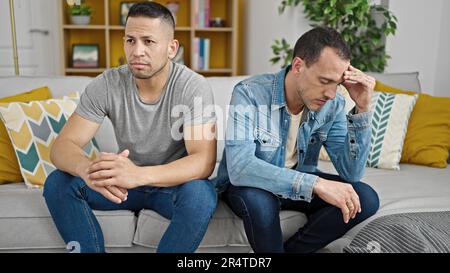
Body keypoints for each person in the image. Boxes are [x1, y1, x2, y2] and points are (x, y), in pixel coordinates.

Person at [43, 2, 217, 253]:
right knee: (59, 182)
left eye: (148, 41)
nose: (137, 51)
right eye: (130, 40)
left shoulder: (193, 87)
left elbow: (204, 161)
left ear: (172, 48)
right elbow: (61, 147)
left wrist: (139, 174)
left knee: (201, 194)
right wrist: (88, 169)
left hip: (170, 186)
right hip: (123, 185)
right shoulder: (107, 83)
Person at [213, 27, 380, 253]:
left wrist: (362, 108)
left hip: (298, 180)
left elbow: (351, 173)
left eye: (337, 84)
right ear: (298, 66)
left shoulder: (333, 104)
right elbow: (240, 168)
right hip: (252, 184)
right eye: (324, 80)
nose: (331, 93)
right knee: (260, 204)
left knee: (365, 197)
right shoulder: (250, 93)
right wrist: (316, 184)